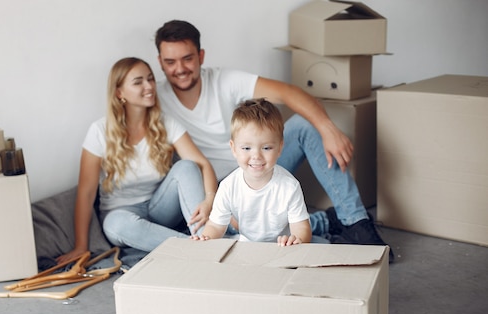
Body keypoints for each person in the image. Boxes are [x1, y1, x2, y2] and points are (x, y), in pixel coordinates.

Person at [153, 20, 393, 261]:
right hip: (216, 188)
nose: (180, 68)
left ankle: (356, 222)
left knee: (304, 124)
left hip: (258, 164)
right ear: (160, 62)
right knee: (220, 235)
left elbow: (289, 93)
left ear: (201, 56)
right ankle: (321, 222)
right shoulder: (154, 98)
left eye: (187, 58)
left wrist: (327, 128)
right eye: (170, 62)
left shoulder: (224, 80)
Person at [56, 57, 217, 264]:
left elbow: (202, 164)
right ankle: (199, 248)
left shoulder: (165, 123)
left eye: (150, 79)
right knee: (116, 225)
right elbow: (86, 194)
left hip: (160, 208)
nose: (149, 86)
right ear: (119, 92)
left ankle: (207, 239)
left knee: (186, 166)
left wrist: (209, 200)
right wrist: (80, 246)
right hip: (122, 214)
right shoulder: (99, 131)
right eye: (138, 81)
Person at [194, 98, 312, 246]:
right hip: (247, 246)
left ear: (280, 148)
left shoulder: (290, 186)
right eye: (246, 148)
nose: (256, 156)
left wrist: (297, 239)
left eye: (266, 148)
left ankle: (324, 223)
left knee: (319, 247)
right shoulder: (228, 186)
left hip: (282, 247)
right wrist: (206, 238)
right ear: (233, 148)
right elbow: (216, 226)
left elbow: (301, 227)